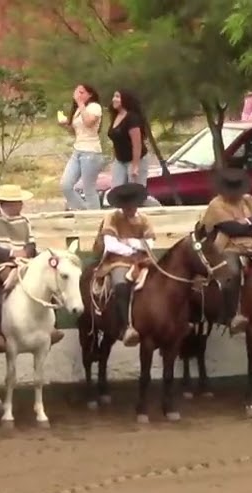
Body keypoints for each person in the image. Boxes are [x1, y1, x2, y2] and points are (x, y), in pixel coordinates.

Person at [0, 184, 55, 352]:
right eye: (17, 202)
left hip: (23, 262)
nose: (21, 205)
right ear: (6, 203)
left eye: (20, 202)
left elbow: (31, 245)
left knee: (47, 279)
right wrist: (12, 253)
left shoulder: (24, 220)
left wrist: (25, 253)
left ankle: (50, 327)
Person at [199, 168, 252, 335]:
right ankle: (230, 315)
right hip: (226, 248)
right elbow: (232, 229)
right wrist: (251, 223)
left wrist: (245, 222)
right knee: (232, 272)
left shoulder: (249, 201)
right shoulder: (216, 205)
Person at [92, 182, 155, 347]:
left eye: (132, 205)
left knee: (161, 283)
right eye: (127, 206)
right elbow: (111, 244)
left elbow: (150, 244)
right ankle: (126, 327)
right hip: (117, 261)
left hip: (142, 261)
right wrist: (134, 247)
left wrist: (130, 242)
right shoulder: (111, 218)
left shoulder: (144, 219)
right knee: (120, 284)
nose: (130, 209)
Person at [58, 83, 104, 211]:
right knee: (65, 185)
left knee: (88, 188)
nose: (78, 95)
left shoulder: (94, 107)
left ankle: (94, 217)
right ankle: (84, 211)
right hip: (78, 150)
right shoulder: (79, 109)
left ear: (90, 95)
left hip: (91, 152)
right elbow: (77, 132)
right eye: (77, 92)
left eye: (82, 92)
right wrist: (65, 124)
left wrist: (80, 103)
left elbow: (89, 123)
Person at [106, 89, 154, 191]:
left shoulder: (132, 118)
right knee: (117, 191)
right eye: (114, 96)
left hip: (136, 160)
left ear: (125, 99)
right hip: (120, 160)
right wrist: (114, 159)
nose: (114, 99)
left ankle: (157, 207)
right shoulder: (116, 116)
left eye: (118, 97)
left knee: (136, 194)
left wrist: (135, 166)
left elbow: (137, 145)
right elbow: (116, 141)